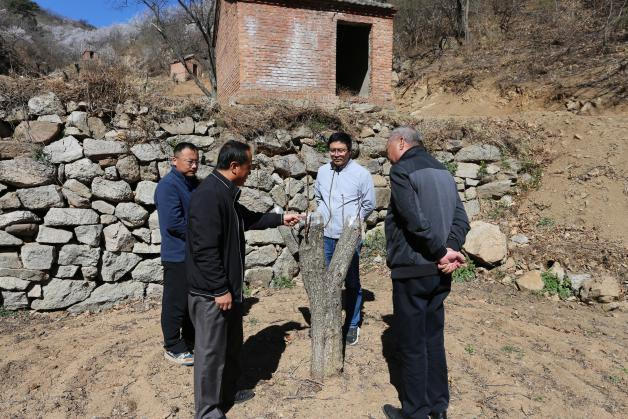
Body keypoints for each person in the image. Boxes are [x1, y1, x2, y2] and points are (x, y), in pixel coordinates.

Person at [187, 140, 302, 419]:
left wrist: (279, 219)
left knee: (229, 348)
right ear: (235, 166)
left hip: (228, 291)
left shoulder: (225, 193)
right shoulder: (208, 196)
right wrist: (219, 288)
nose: (250, 171)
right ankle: (208, 411)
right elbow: (204, 249)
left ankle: (227, 394)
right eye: (248, 166)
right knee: (211, 354)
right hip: (211, 294)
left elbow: (246, 219)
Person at [381, 126, 469, 419]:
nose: (387, 155)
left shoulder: (402, 170)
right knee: (434, 339)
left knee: (412, 343)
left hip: (413, 269)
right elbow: (461, 218)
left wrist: (440, 251)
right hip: (440, 271)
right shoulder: (443, 170)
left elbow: (413, 219)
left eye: (388, 147)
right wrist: (451, 248)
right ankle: (438, 407)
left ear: (402, 142)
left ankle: (415, 412)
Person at [314, 132, 375, 346]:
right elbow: (319, 197)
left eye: (340, 150)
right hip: (326, 236)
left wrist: (353, 226)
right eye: (333, 150)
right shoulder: (322, 172)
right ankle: (328, 323)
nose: (336, 154)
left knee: (351, 282)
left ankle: (352, 324)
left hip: (348, 238)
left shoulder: (361, 174)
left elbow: (368, 204)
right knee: (328, 282)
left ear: (349, 151)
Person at [154, 142, 200, 366]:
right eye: (189, 161)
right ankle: (172, 345)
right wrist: (203, 234)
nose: (194, 165)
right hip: (176, 254)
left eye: (196, 161)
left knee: (192, 301)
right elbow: (174, 223)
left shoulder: (192, 184)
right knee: (175, 302)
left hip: (192, 254)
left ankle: (191, 340)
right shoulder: (168, 186)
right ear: (175, 160)